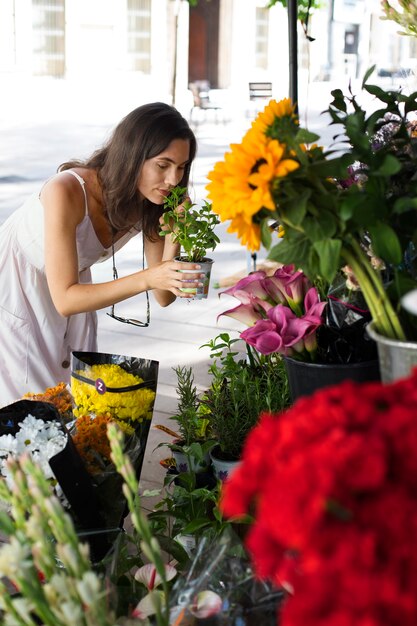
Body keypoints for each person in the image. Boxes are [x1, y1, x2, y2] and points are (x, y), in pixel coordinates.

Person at [0, 102, 205, 406]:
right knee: (33, 407)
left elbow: (163, 295)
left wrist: (174, 235)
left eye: (182, 167)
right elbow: (66, 300)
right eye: (163, 165)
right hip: (18, 288)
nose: (174, 179)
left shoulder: (150, 199)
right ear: (133, 156)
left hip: (73, 287)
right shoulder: (66, 191)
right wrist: (149, 277)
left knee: (80, 400)